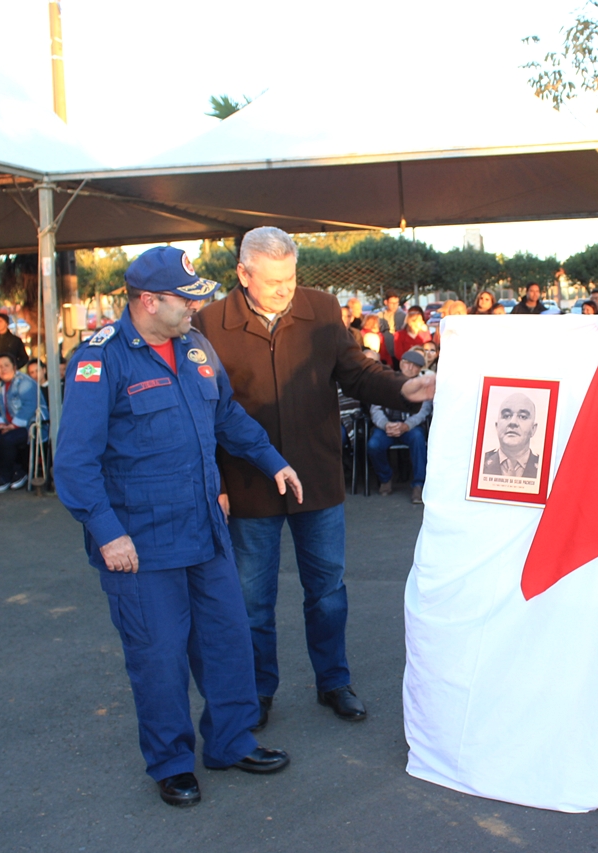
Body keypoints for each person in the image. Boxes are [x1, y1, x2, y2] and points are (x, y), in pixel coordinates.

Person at [54, 245, 302, 808]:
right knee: (159, 656)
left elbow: (226, 416)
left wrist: (271, 460)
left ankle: (231, 742)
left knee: (227, 642)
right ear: (148, 301)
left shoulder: (194, 347)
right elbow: (75, 461)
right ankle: (170, 762)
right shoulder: (101, 358)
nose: (196, 308)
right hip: (139, 545)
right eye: (185, 300)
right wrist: (106, 531)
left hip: (204, 530)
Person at [192, 226, 435, 729]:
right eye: (273, 281)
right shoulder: (210, 324)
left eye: (291, 277)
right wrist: (214, 483)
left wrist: (404, 388)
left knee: (326, 591)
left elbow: (358, 372)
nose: (285, 289)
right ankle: (257, 691)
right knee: (252, 598)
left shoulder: (322, 310)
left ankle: (334, 681)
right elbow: (203, 413)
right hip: (248, 483)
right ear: (243, 273)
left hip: (317, 476)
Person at [368, 349, 432, 503]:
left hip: (409, 427)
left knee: (418, 439)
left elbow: (424, 411)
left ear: (420, 369)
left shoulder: (424, 385)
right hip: (387, 425)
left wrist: (406, 426)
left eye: (415, 366)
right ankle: (385, 478)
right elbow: (375, 408)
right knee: (373, 444)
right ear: (401, 363)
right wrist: (386, 424)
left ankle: (418, 484)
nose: (410, 368)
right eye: (407, 364)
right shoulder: (386, 381)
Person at [0, 354, 47, 492]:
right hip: (8, 426)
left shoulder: (26, 383)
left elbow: (30, 406)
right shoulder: (0, 386)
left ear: (14, 367)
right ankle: (17, 471)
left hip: (30, 425)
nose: (3, 369)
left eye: (6, 365)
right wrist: (0, 424)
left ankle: (5, 476)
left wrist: (13, 425)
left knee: (7, 440)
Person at [481, 391, 540, 477]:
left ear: (533, 429)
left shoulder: (544, 467)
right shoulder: (480, 463)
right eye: (506, 416)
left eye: (523, 417)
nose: (513, 422)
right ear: (497, 427)